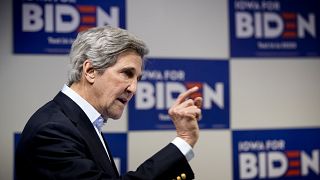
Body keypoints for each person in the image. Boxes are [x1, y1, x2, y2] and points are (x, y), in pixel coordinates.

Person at [15, 26, 202, 180]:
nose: (134, 89)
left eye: (138, 78)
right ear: (90, 71)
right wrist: (184, 140)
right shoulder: (52, 130)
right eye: (127, 74)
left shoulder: (78, 120)